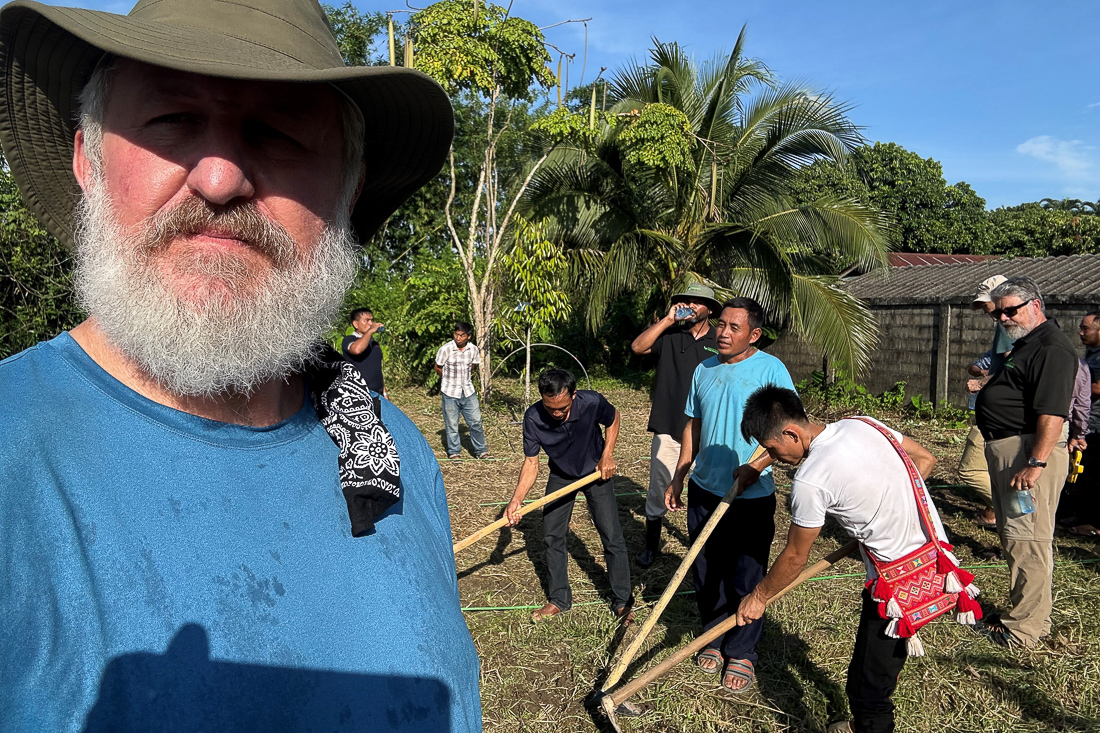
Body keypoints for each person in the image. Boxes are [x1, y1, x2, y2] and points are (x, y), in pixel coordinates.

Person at [0, 1, 481, 731]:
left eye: (279, 131)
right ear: (86, 160)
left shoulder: (393, 451)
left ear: (346, 190)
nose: (220, 179)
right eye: (171, 120)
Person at [735, 386, 948, 733]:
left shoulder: (810, 480)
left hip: (898, 584)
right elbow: (925, 461)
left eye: (773, 449)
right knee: (876, 671)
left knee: (868, 688)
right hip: (936, 561)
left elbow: (794, 557)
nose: (776, 456)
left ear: (791, 433)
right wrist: (886, 505)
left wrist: (759, 597)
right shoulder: (863, 424)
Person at [664, 297, 796, 693]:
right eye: (721, 324)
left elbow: (788, 432)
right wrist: (680, 473)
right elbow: (693, 425)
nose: (723, 333)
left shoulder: (772, 371)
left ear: (754, 334)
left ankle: (742, 652)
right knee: (706, 570)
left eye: (734, 328)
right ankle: (714, 636)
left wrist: (756, 466)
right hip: (705, 488)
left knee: (745, 575)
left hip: (750, 496)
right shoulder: (704, 369)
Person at [974, 276, 1078, 648]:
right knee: (1016, 537)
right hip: (1011, 449)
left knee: (1027, 540)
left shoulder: (1052, 348)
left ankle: (1024, 631)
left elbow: (1052, 414)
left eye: (1010, 310)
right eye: (998, 312)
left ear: (1035, 305)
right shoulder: (1027, 343)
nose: (1002, 318)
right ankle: (1029, 618)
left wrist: (1035, 462)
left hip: (1027, 451)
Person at [504, 369, 633, 624]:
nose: (556, 414)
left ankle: (622, 600)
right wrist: (516, 499)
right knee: (552, 535)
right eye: (550, 408)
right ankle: (559, 599)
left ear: (573, 395)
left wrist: (607, 454)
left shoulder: (591, 402)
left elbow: (614, 417)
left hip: (595, 472)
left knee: (611, 535)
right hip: (562, 475)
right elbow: (531, 463)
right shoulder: (533, 418)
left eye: (562, 408)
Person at [630, 283, 720, 568]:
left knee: (706, 493)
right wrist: (668, 320)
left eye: (698, 302)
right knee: (659, 488)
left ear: (710, 310)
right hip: (669, 426)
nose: (691, 306)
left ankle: (701, 549)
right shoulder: (669, 334)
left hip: (708, 431)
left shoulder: (720, 340)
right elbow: (637, 347)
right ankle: (651, 546)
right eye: (687, 301)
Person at [960, 275, 1012, 528]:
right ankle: (1001, 510)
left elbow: (1015, 366)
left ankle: (1012, 509)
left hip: (997, 412)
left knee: (969, 470)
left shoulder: (1007, 327)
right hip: (1005, 413)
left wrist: (982, 383)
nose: (985, 311)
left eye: (986, 304)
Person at [1059, 310, 1100, 536]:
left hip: (1097, 426)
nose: (1081, 333)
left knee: (1094, 475)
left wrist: (1074, 386)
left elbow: (1098, 388)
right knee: (1082, 474)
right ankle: (1083, 515)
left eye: (1086, 329)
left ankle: (1094, 523)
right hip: (1088, 423)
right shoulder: (1091, 354)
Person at [434, 322, 490, 459]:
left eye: (462, 335)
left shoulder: (473, 350)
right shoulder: (446, 349)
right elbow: (438, 367)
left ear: (468, 336)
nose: (458, 338)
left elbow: (473, 366)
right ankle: (454, 452)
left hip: (468, 391)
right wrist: (448, 379)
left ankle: (481, 451)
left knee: (476, 422)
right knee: (452, 424)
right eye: (456, 335)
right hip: (450, 392)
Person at [341, 307, 386, 397]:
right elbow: (356, 350)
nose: (371, 323)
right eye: (366, 320)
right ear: (356, 324)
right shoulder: (349, 340)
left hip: (377, 393)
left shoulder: (374, 344)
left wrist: (384, 392)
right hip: (357, 394)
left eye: (372, 320)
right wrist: (369, 332)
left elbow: (377, 370)